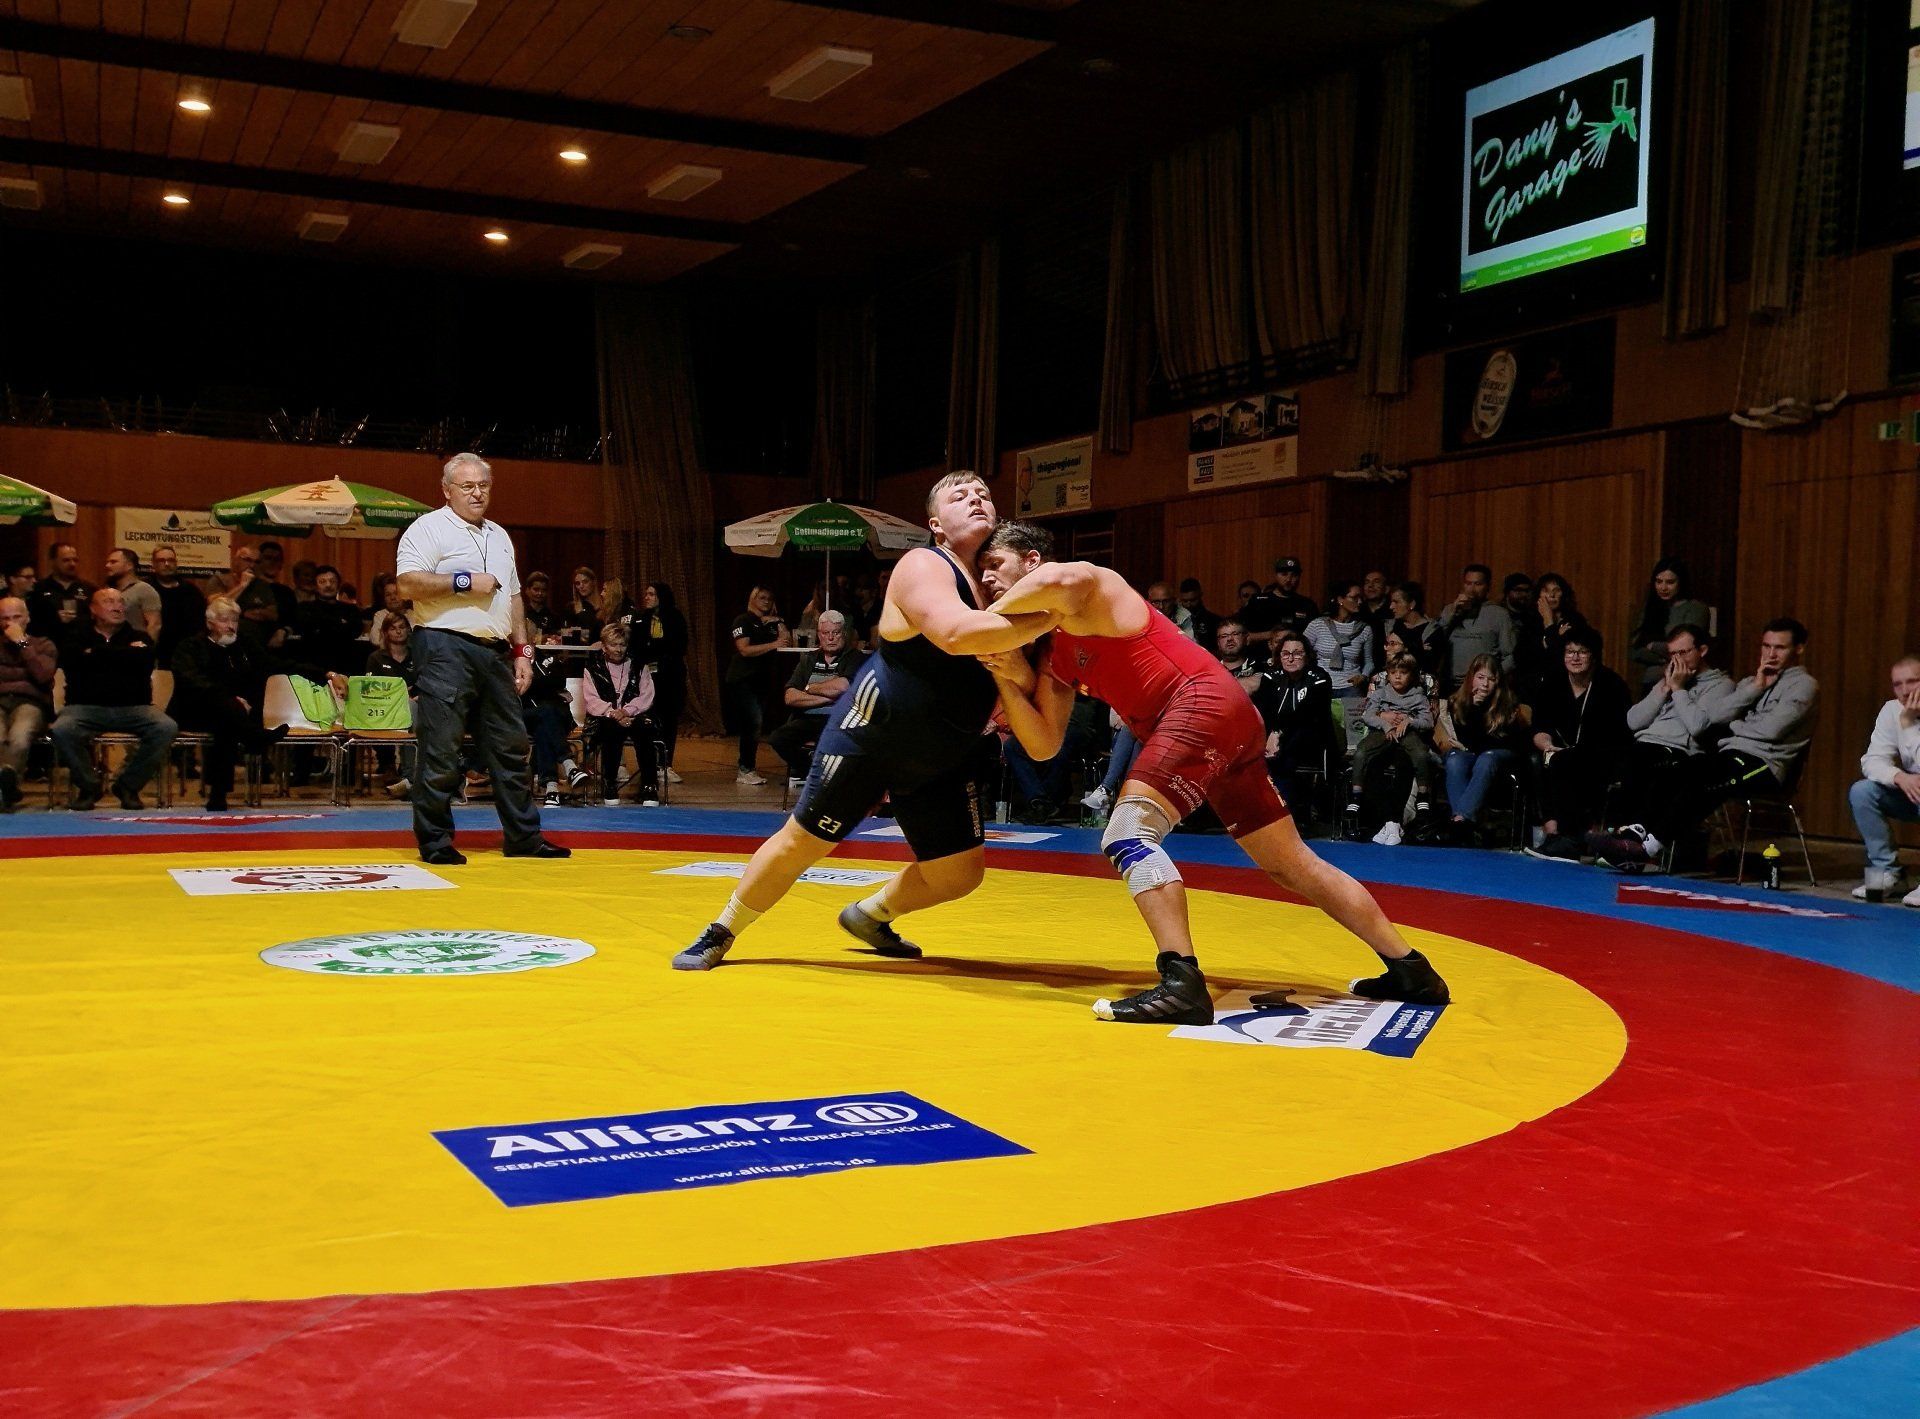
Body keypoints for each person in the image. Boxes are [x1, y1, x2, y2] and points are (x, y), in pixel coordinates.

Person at [973, 520, 1449, 1022]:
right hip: (1222, 719)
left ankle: (1181, 982)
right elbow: (1043, 744)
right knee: (1291, 864)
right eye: (980, 572)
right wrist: (1005, 672)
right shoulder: (1051, 651)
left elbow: (1057, 582)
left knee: (1128, 832)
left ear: (1032, 561)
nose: (986, 579)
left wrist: (975, 625)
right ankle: (1411, 969)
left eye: (995, 565)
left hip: (1197, 705)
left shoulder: (1086, 587)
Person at [674, 471, 1054, 972]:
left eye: (984, 494)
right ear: (936, 525)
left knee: (959, 874)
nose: (976, 499)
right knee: (804, 840)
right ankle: (721, 930)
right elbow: (957, 633)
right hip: (872, 738)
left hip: (942, 756)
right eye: (960, 496)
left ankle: (870, 914)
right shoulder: (924, 564)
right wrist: (1056, 614)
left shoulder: (1004, 591)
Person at [393, 452, 569, 865]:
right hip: (444, 646)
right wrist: (462, 581)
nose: (477, 493)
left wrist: (522, 651)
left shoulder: (500, 535)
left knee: (511, 747)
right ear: (446, 490)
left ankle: (523, 838)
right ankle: (435, 842)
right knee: (441, 749)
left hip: (494, 652)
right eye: (467, 486)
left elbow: (514, 598)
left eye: (483, 485)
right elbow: (406, 584)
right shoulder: (427, 528)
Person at [1592, 620, 1819, 871]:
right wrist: (1756, 687)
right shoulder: (1752, 681)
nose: (1771, 654)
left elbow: (1770, 731)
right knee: (1675, 771)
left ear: (1798, 649)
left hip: (1764, 765)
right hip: (1730, 755)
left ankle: (1647, 850)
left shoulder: (1804, 685)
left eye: (1780, 647)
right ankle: (1633, 835)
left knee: (1702, 781)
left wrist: (1735, 726)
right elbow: (1717, 716)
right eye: (1766, 646)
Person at [1584, 624, 1734, 866]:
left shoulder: (1722, 685)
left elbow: (1697, 726)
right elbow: (1633, 721)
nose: (1677, 660)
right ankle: (1601, 838)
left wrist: (1679, 690)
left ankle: (1628, 841)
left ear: (1702, 650)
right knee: (1592, 757)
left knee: (1639, 762)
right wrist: (1664, 689)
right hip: (1645, 743)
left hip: (1679, 751)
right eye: (1672, 654)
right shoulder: (1668, 679)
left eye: (1683, 652)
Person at [168, 597, 335, 812]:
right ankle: (254, 738)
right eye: (224, 621)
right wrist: (229, 699)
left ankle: (218, 795)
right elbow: (192, 681)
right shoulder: (190, 646)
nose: (231, 626)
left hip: (231, 715)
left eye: (234, 621)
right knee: (228, 713)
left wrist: (324, 673)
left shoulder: (243, 645)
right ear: (209, 623)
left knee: (226, 722)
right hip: (193, 710)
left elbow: (275, 664)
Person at [49, 587, 176, 810]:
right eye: (109, 602)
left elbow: (144, 663)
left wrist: (94, 654)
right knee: (62, 729)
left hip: (134, 707)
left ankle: (128, 785)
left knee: (166, 727)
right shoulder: (75, 636)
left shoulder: (139, 637)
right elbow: (73, 664)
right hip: (84, 707)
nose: (118, 607)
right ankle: (89, 786)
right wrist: (125, 655)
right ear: (93, 609)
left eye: (120, 602)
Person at [1524, 626, 1631, 860]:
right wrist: (1547, 745)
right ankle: (1552, 832)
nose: (1575, 657)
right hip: (1558, 750)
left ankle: (1570, 838)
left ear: (1594, 656)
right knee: (1534, 759)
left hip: (1600, 754)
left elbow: (1617, 734)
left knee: (1566, 763)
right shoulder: (1552, 682)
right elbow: (1539, 726)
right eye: (1570, 652)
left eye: (1582, 652)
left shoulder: (1612, 685)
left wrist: (1571, 752)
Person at [1848, 653, 1920, 906]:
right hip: (1914, 793)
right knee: (1862, 792)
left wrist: (1909, 724)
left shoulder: (1905, 716)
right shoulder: (1891, 710)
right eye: (1897, 684)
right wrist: (1899, 777)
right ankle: (1888, 873)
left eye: (1912, 681)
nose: (1904, 691)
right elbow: (1872, 760)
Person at [1434, 654, 1529, 840]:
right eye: (1480, 677)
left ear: (1498, 682)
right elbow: (1466, 739)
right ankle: (1464, 827)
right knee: (1454, 759)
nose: (1485, 684)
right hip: (1471, 751)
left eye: (1491, 679)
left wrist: (1471, 744)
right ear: (1471, 677)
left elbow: (1504, 741)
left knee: (1486, 758)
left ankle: (1459, 820)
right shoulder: (1458, 701)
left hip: (1500, 753)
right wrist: (1474, 708)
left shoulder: (1509, 703)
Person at [1346, 654, 1437, 844]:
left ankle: (1422, 797)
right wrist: (1385, 724)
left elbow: (1428, 721)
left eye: (1403, 673)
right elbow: (1367, 715)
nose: (1397, 676)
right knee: (1362, 751)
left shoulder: (1418, 696)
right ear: (1387, 674)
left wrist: (1409, 721)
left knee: (1420, 754)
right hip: (1383, 732)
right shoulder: (1381, 693)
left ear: (1411, 675)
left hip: (1407, 733)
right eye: (1393, 672)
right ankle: (1355, 796)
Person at [769, 610, 864, 784]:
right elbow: (790, 696)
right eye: (826, 633)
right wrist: (827, 697)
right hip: (808, 719)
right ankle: (812, 770)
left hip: (839, 720)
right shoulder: (809, 659)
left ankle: (825, 774)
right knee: (778, 738)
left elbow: (843, 686)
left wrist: (809, 689)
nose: (831, 638)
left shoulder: (854, 657)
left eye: (835, 633)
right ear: (819, 635)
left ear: (843, 633)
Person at [583, 621, 660, 806]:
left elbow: (647, 696)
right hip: (605, 717)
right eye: (613, 645)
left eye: (622, 645)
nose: (618, 649)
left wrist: (626, 711)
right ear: (604, 647)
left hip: (635, 715)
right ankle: (610, 783)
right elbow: (591, 700)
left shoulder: (639, 666)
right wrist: (613, 713)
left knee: (644, 729)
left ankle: (649, 785)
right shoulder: (592, 668)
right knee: (612, 730)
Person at [1267, 630, 1338, 821]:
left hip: (1311, 739)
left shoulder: (1320, 677)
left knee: (1290, 743)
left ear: (1307, 655)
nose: (1290, 658)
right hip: (1274, 738)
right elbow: (1265, 710)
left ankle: (1285, 814)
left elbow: (1307, 713)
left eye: (1297, 653)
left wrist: (1278, 733)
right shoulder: (1271, 677)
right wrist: (1271, 733)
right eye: (1285, 653)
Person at [724, 585, 789, 786]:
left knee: (755, 724)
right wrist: (773, 645)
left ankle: (748, 767)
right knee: (753, 722)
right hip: (742, 679)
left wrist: (779, 622)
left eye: (769, 598)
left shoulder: (770, 623)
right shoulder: (743, 620)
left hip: (762, 680)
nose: (766, 601)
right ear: (753, 599)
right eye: (762, 597)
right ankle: (745, 768)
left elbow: (786, 640)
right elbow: (744, 649)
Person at [0, 595, 56, 811]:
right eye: (5, 618)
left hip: (30, 703)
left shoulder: (44, 644)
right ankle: (7, 789)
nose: (10, 623)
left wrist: (22, 644)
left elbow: (42, 675)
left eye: (16, 617)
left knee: (19, 737)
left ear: (27, 618)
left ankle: (6, 787)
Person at [1305, 580, 1374, 744]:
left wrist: (1363, 676)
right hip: (1323, 684)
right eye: (1354, 597)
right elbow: (1302, 652)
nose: (1360, 601)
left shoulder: (1364, 629)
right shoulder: (1318, 625)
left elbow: (1369, 661)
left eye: (1361, 598)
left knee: (1355, 737)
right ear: (1340, 599)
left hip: (1350, 685)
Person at [1628, 557, 1711, 687]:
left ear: (1681, 582)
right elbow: (1635, 650)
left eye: (1670, 582)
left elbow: (1687, 650)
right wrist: (1664, 657)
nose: (1663, 587)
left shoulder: (1695, 608)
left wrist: (1653, 646)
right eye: (1659, 582)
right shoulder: (1651, 608)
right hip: (1651, 680)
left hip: (1684, 679)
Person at [1436, 564, 1515, 689]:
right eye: (1468, 583)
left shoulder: (1499, 614)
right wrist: (1452, 612)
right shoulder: (1450, 610)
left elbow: (1510, 656)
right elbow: (1435, 641)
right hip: (1451, 685)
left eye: (1478, 584)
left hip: (1483, 687)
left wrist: (1491, 678)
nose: (1472, 589)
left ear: (1487, 587)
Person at [640, 582, 688, 783]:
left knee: (669, 720)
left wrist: (657, 648)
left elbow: (680, 645)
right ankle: (650, 765)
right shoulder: (642, 618)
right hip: (648, 676)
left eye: (651, 594)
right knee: (650, 719)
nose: (647, 597)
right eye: (646, 594)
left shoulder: (675, 617)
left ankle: (666, 764)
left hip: (670, 676)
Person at [1514, 572, 1587, 699]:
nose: (1552, 595)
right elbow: (1522, 658)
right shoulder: (1529, 622)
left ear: (1563, 594)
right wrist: (1556, 637)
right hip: (1533, 690)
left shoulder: (1575, 621)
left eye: (1556, 590)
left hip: (1564, 688)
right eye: (1546, 591)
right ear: (1538, 595)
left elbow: (1563, 657)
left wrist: (1549, 623)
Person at [295, 565, 364, 676]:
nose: (328, 585)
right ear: (315, 586)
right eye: (322, 582)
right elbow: (306, 629)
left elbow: (356, 630)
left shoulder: (351, 609)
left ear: (338, 585)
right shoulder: (305, 608)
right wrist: (339, 624)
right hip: (314, 668)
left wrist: (324, 625)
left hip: (345, 667)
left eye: (332, 581)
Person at [148, 546, 206, 676]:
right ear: (153, 564)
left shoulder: (190, 590)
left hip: (186, 655)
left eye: (171, 560)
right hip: (156, 653)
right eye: (161, 560)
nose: (167, 564)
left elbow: (201, 622)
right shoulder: (146, 589)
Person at [1239, 557, 1317, 646]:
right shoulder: (1258, 601)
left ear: (1299, 577)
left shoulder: (1307, 604)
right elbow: (1242, 634)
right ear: (1276, 575)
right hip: (1261, 653)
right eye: (1284, 574)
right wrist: (1272, 635)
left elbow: (1315, 637)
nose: (1289, 579)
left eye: (1294, 575)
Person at [26, 542, 92, 640]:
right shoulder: (38, 589)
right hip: (49, 645)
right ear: (52, 562)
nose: (72, 564)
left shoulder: (89, 588)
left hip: (82, 644)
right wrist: (56, 620)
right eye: (66, 560)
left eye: (75, 560)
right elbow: (30, 623)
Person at [1388, 580, 1446, 680]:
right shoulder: (1391, 627)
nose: (1391, 606)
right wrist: (1418, 649)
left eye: (1396, 602)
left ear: (1412, 604)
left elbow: (1429, 665)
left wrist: (1403, 649)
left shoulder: (1433, 631)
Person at [104, 548, 161, 640]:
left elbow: (154, 624)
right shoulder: (107, 590)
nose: (107, 565)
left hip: (135, 644)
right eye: (107, 562)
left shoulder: (144, 589)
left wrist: (146, 646)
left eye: (113, 562)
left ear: (129, 565)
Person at [1178, 578, 1220, 651]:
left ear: (1200, 595)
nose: (1188, 604)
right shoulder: (1175, 621)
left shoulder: (1214, 621)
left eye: (1193, 600)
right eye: (1185, 601)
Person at [562, 566, 601, 645]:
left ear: (593, 582)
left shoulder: (604, 605)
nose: (581, 586)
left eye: (585, 582)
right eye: (578, 583)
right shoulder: (571, 607)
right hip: (579, 651)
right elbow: (565, 636)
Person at [520, 571, 560, 641]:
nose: (540, 593)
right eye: (536, 589)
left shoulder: (553, 617)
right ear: (527, 590)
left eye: (543, 590)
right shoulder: (520, 614)